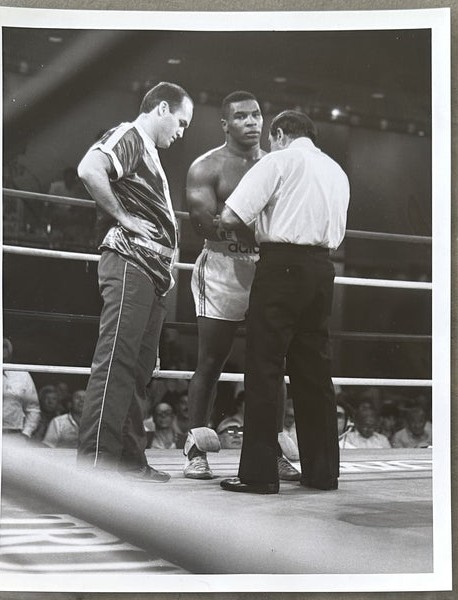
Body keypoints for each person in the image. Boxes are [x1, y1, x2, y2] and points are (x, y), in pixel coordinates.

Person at [218, 110, 350, 494]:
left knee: (264, 368)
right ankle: (322, 474)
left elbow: (229, 216)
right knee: (314, 371)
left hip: (282, 268)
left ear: (278, 134)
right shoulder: (336, 171)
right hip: (322, 270)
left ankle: (258, 475)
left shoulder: (278, 160)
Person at [76, 82, 194, 482]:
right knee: (116, 365)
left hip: (150, 273)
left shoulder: (149, 151)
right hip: (131, 263)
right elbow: (89, 169)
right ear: (161, 109)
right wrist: (125, 219)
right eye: (180, 122)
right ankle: (96, 466)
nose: (181, 132)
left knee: (138, 372)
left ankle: (128, 461)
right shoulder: (131, 135)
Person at [184, 91, 299, 483]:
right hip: (220, 267)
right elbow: (204, 223)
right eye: (241, 117)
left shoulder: (277, 166)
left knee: (272, 364)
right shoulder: (207, 167)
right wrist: (263, 231)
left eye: (256, 115)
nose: (252, 122)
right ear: (225, 124)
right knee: (211, 359)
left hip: (266, 269)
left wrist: (242, 223)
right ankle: (196, 450)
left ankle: (272, 452)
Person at [2, 337, 40, 438]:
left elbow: (33, 408)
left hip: (13, 434)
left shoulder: (21, 374)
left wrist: (26, 433)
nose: (1, 350)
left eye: (4, 347)